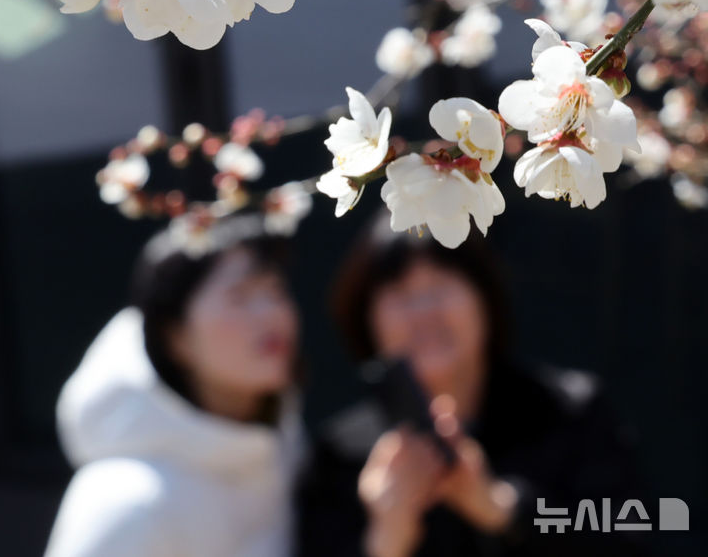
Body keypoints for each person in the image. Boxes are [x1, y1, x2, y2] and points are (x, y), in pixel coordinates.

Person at [299, 213, 650, 557]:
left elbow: (628, 533)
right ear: (366, 317)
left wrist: (502, 507)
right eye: (399, 291)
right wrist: (388, 537)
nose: (424, 310)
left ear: (484, 295)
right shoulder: (342, 457)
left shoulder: (569, 412)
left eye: (441, 284)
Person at [44, 212, 303, 557]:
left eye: (275, 291)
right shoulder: (125, 499)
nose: (270, 312)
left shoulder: (285, 448)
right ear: (175, 336)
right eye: (239, 297)